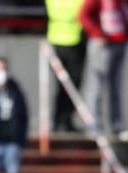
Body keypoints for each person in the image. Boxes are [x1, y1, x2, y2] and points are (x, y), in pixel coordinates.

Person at [79, 0, 128, 140]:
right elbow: (83, 15)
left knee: (116, 88)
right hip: (102, 45)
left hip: (119, 42)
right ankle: (93, 126)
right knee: (96, 87)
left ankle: (117, 126)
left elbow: (124, 15)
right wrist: (98, 33)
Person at [45, 0, 86, 132]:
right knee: (67, 84)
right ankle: (60, 120)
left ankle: (64, 120)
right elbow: (78, 11)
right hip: (67, 42)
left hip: (67, 40)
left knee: (70, 85)